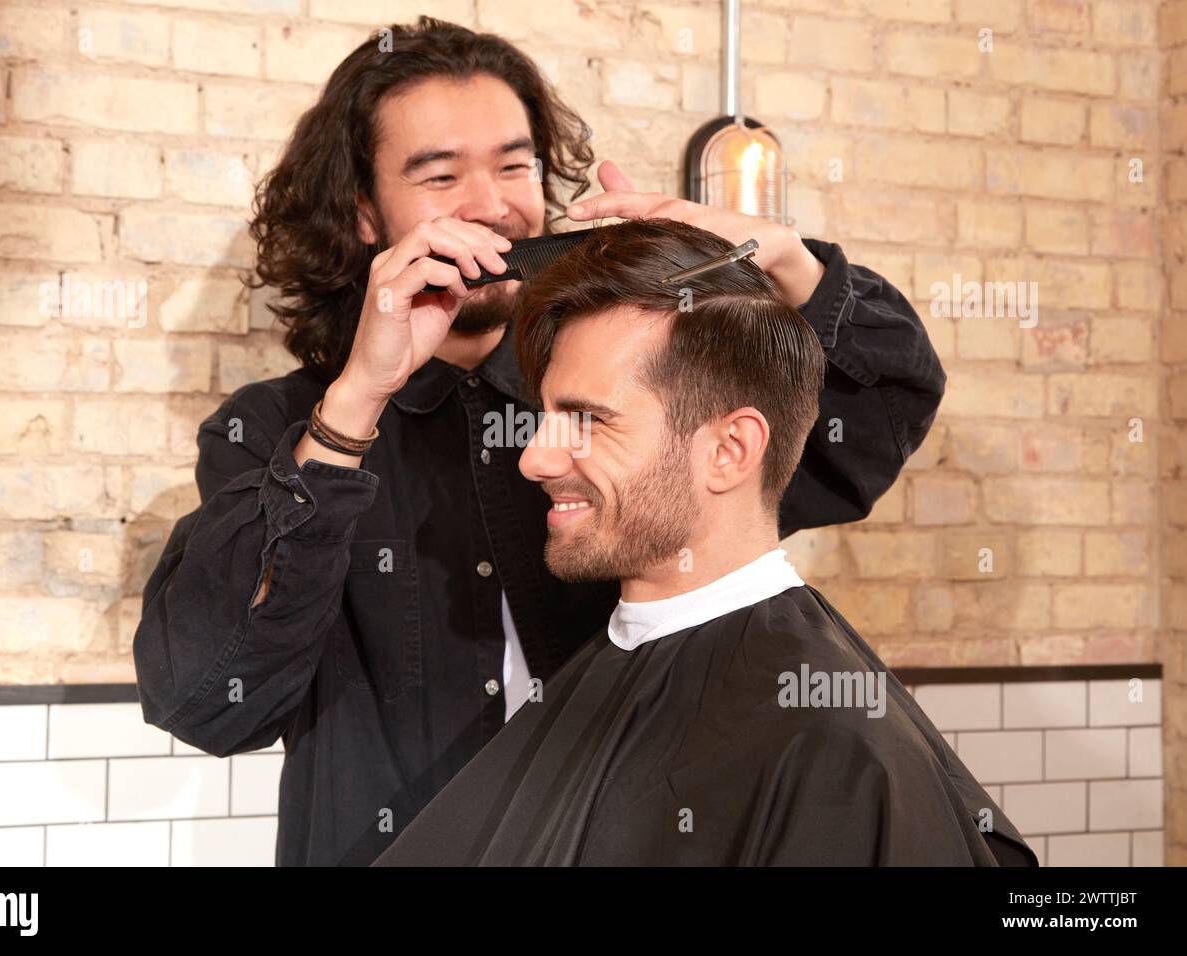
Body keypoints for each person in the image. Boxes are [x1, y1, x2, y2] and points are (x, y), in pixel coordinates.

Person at [131, 17, 948, 866]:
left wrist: (786, 262)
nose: (493, 205)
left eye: (515, 165)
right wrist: (356, 403)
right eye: (441, 174)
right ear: (365, 212)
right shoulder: (282, 432)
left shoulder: (638, 398)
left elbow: (871, 422)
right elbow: (207, 699)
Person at [373, 219, 1036, 867]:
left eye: (587, 422)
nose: (535, 460)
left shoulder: (835, 751)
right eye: (545, 419)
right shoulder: (611, 662)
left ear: (729, 450)